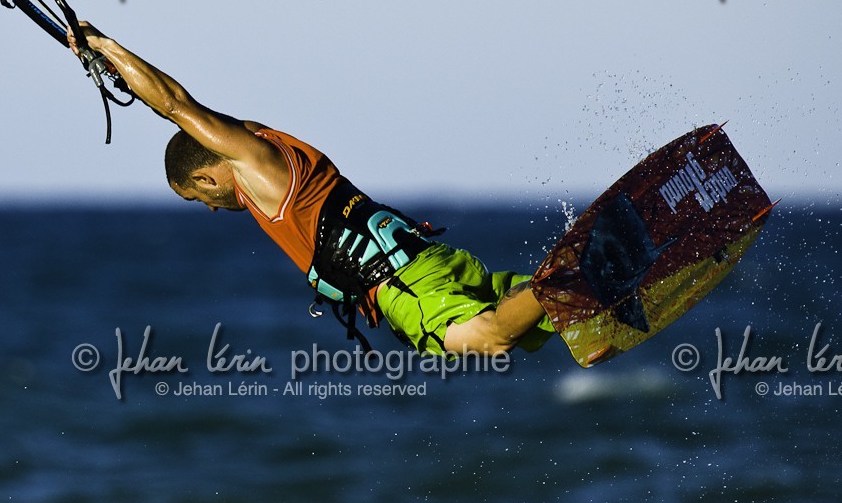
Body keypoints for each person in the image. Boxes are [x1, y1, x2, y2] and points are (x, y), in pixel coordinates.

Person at [74, 24, 558, 358]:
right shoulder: (269, 142)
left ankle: (559, 278)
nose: (209, 208)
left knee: (488, 338)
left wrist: (106, 45)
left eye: (197, 198)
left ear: (205, 177)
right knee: (530, 313)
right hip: (432, 258)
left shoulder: (257, 169)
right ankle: (588, 282)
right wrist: (109, 64)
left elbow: (177, 104)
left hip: (403, 284)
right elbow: (201, 115)